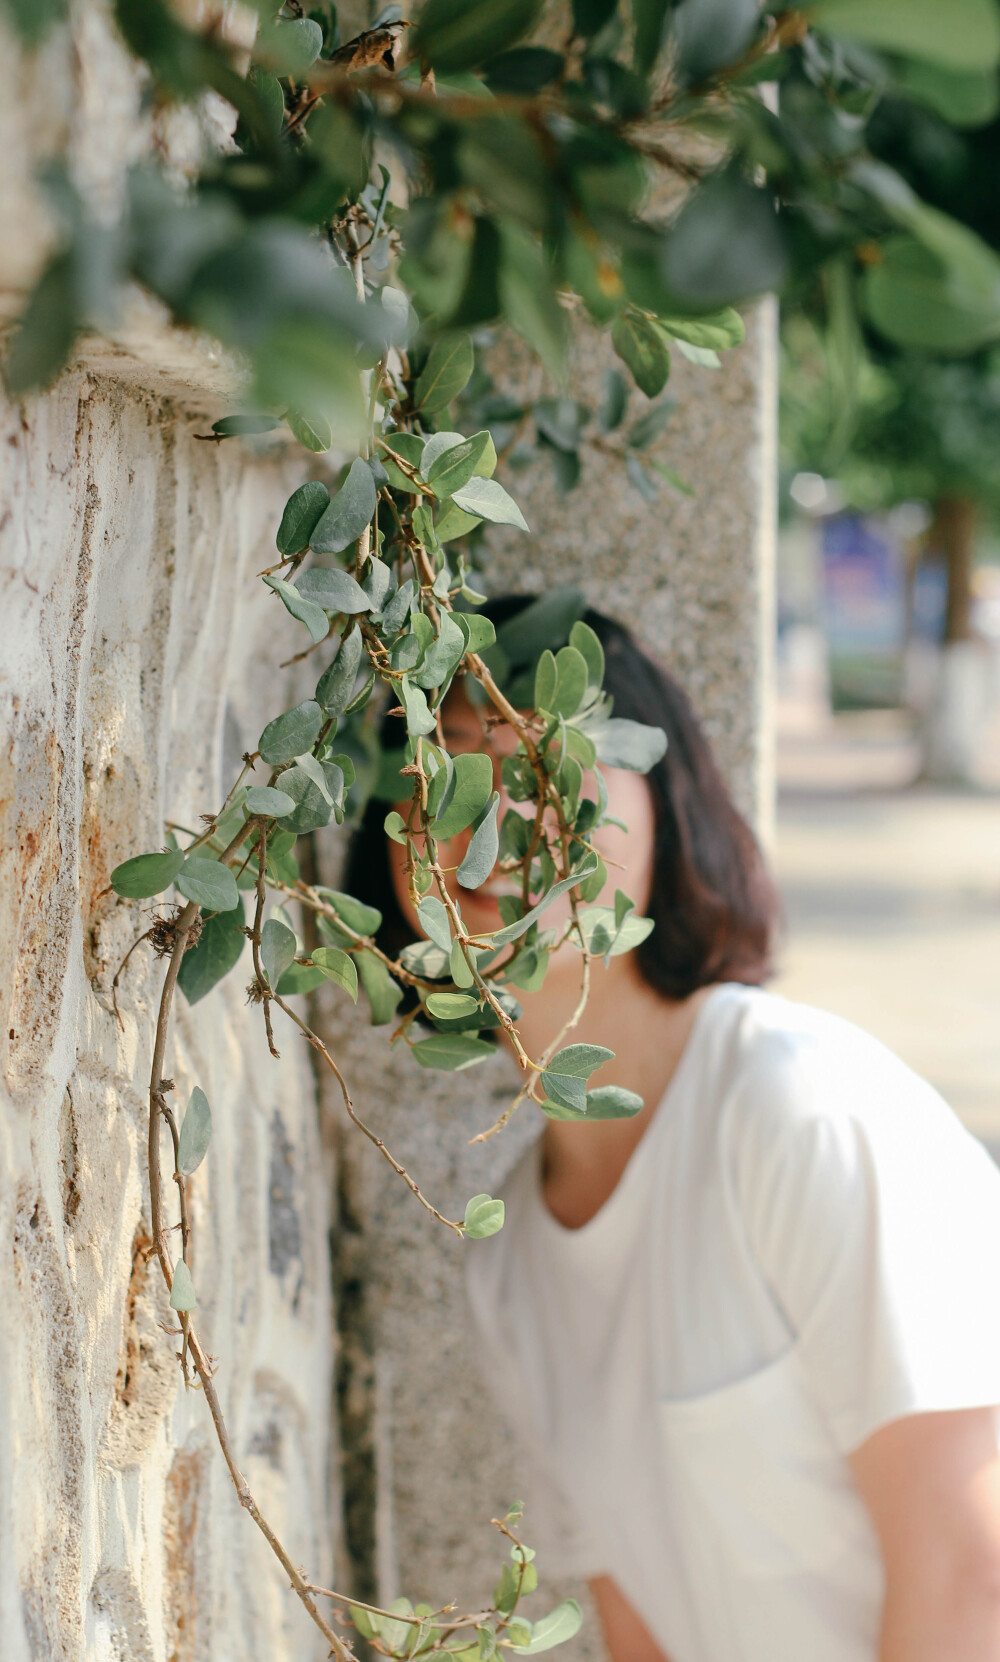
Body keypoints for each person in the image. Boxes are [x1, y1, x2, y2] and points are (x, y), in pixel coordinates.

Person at [345, 593, 1000, 1662]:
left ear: (666, 800)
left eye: (543, 765)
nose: (492, 820)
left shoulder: (792, 1106)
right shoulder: (508, 1260)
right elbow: (638, 1621)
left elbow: (970, 1571)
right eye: (446, 768)